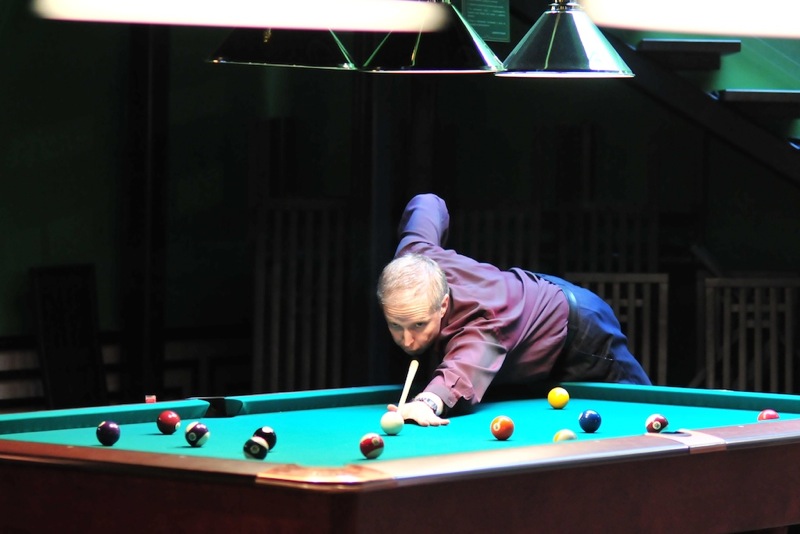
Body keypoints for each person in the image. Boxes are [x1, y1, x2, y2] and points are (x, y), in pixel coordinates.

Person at [376, 193, 651, 426]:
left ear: (443, 304)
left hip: (581, 327)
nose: (407, 340)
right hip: (525, 311)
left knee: (648, 415)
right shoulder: (415, 255)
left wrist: (427, 402)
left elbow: (461, 371)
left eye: (419, 325)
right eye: (396, 326)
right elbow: (427, 201)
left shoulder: (485, 323)